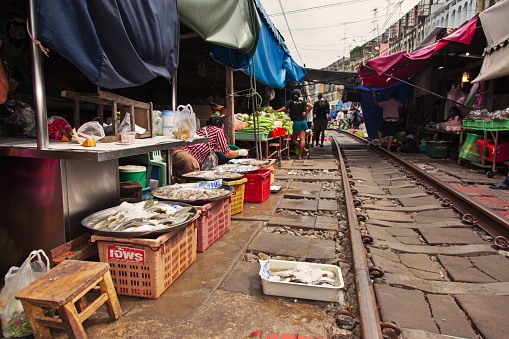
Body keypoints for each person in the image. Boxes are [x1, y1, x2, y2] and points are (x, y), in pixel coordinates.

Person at [171, 116, 248, 176]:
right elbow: (226, 153)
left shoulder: (203, 131)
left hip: (175, 153)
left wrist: (213, 147)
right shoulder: (217, 130)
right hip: (182, 154)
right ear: (220, 126)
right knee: (194, 168)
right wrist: (241, 152)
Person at [276, 89, 313, 159]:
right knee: (302, 139)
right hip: (303, 122)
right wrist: (305, 113)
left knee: (293, 139)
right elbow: (311, 106)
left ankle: (303, 150)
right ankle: (300, 155)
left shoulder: (290, 102)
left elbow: (283, 109)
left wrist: (275, 111)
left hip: (296, 122)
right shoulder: (302, 102)